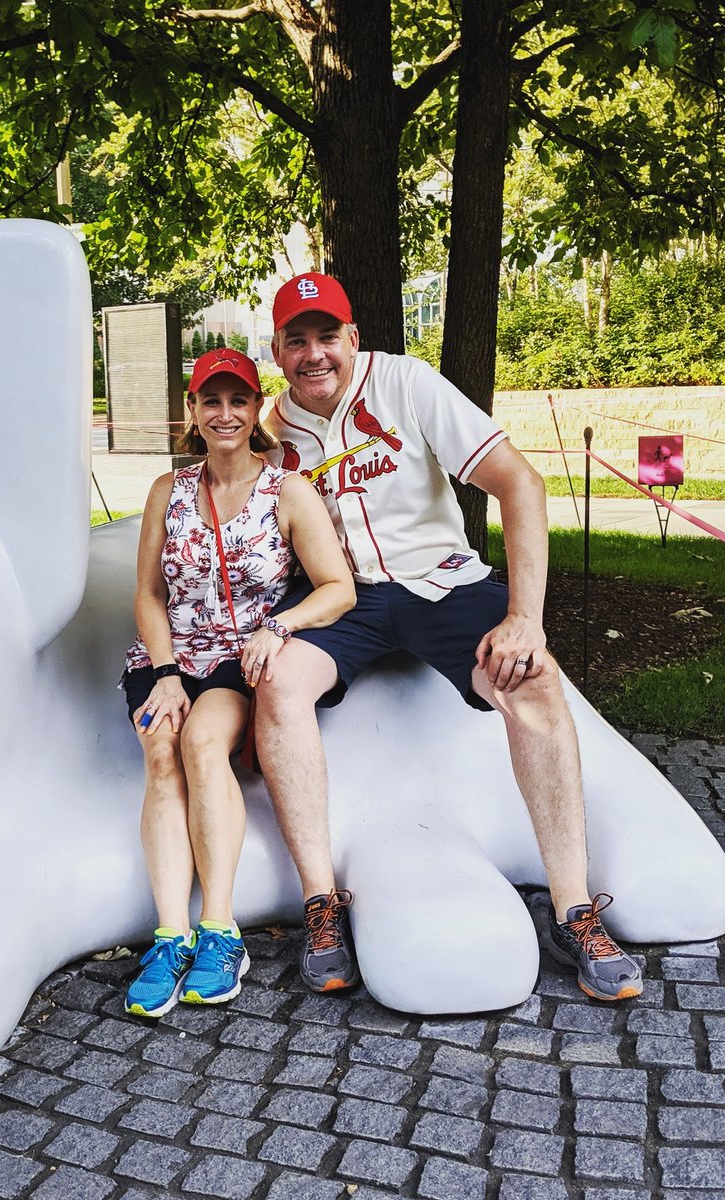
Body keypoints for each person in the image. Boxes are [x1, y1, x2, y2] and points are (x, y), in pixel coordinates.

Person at [256, 272, 644, 1003]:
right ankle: (321, 905)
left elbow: (519, 484)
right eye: (297, 340)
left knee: (532, 677)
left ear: (353, 339)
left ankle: (573, 908)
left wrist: (525, 616)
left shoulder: (406, 384)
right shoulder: (270, 430)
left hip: (442, 584)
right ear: (277, 350)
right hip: (344, 601)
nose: (315, 354)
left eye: (327, 336)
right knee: (278, 682)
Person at [122, 348, 355, 1018]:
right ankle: (171, 936)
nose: (225, 413)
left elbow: (337, 589)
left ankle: (220, 929)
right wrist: (164, 672)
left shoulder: (287, 490)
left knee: (201, 743)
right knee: (162, 755)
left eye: (238, 400)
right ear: (193, 411)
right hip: (167, 657)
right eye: (211, 400)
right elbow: (147, 595)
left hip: (238, 657)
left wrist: (279, 627)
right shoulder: (168, 491)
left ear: (256, 410)